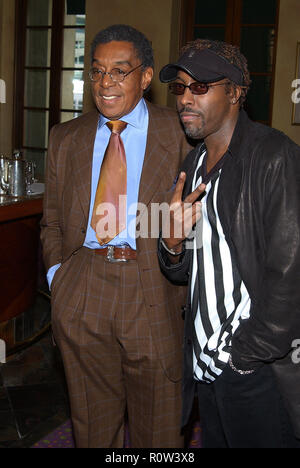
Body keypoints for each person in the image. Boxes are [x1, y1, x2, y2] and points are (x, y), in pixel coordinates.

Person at [40, 24, 192, 448]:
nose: (105, 83)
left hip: (153, 287)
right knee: (91, 426)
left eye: (119, 71)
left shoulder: (179, 132)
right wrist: (59, 278)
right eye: (97, 71)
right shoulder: (66, 137)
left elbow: (198, 218)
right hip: (83, 286)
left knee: (159, 430)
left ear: (145, 77)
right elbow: (51, 220)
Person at [158, 38, 300, 448]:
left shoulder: (274, 157)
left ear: (235, 93)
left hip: (255, 369)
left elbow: (291, 276)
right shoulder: (194, 163)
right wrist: (171, 242)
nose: (186, 98)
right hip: (205, 365)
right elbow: (188, 269)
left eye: (200, 87)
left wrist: (242, 357)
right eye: (180, 88)